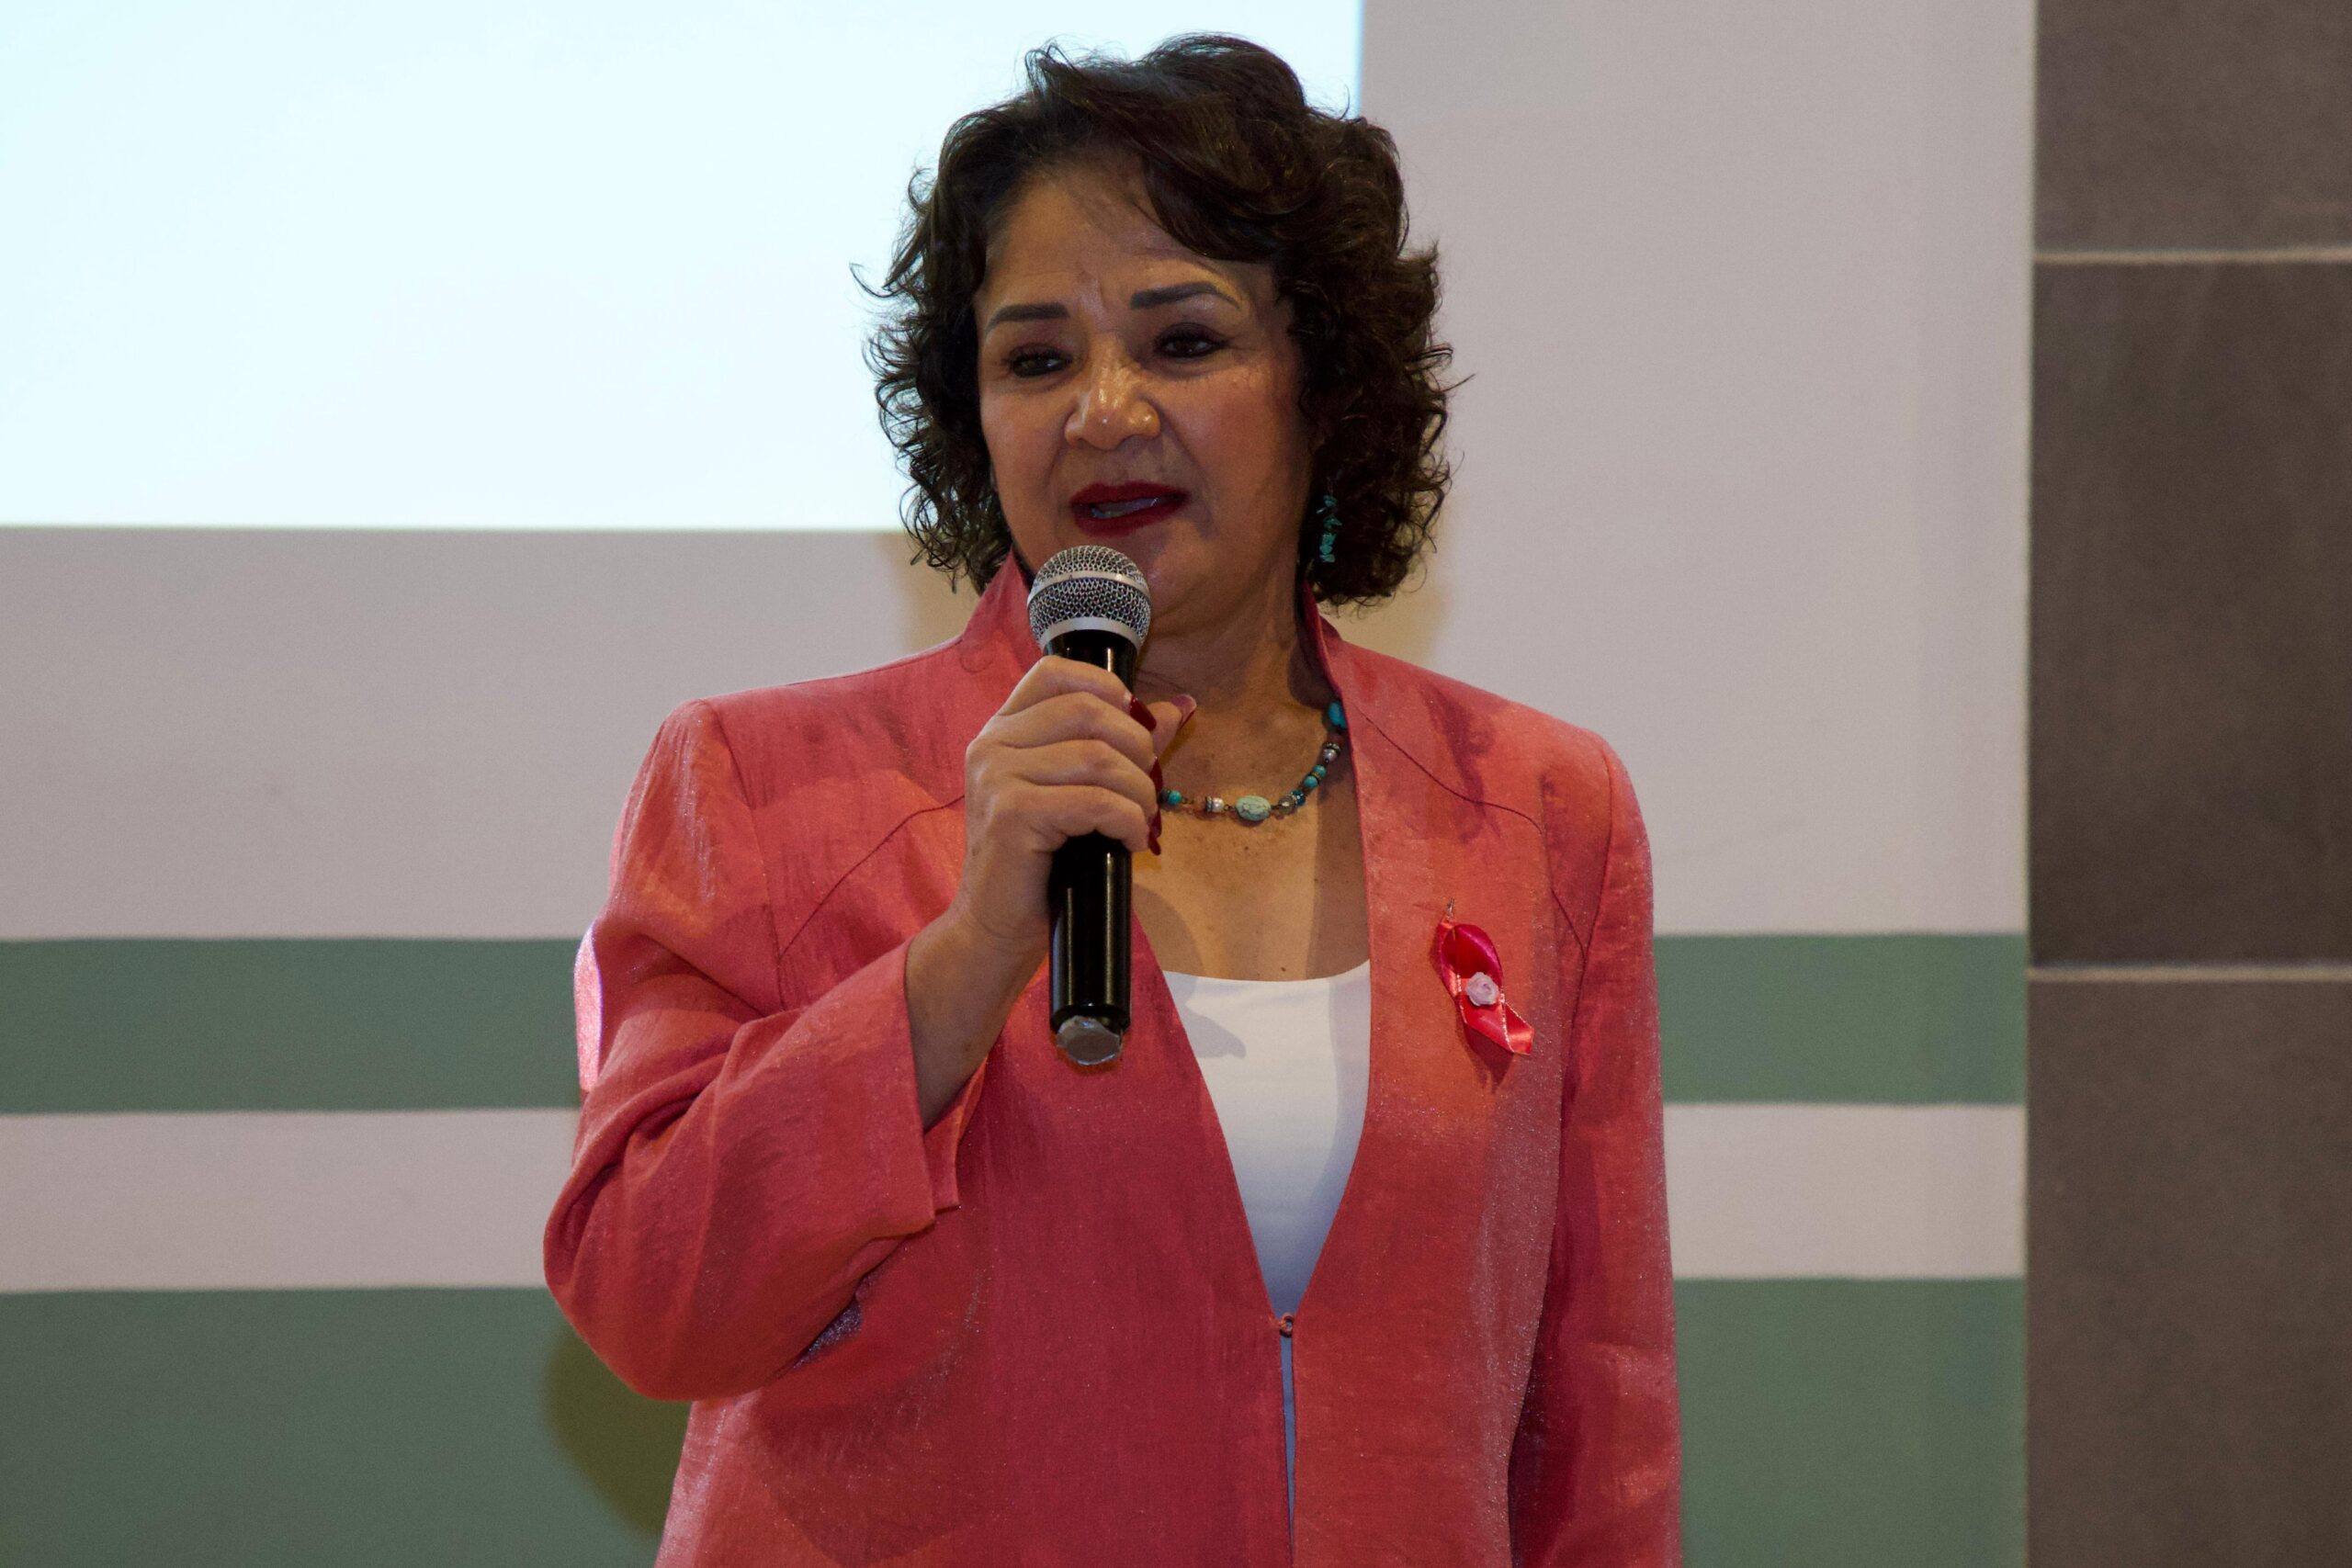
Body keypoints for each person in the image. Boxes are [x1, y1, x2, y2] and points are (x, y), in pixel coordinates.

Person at [545, 34, 1680, 1566]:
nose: (1103, 409)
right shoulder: (761, 786)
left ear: (1325, 384)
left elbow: (1598, 1424)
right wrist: (958, 970)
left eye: (1183, 341)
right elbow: (648, 1300)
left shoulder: (1539, 809)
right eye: (1035, 360)